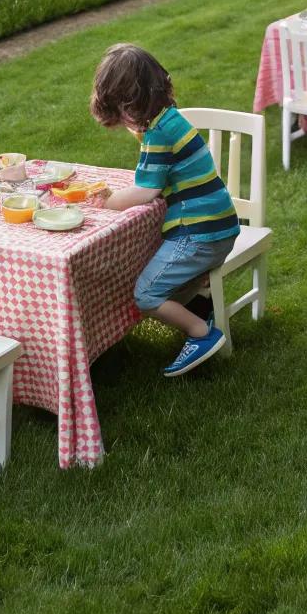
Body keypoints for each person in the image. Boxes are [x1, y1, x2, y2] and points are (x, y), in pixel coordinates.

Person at [89, 43, 240, 378]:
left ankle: (201, 334)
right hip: (218, 227)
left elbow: (146, 190)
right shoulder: (168, 119)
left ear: (129, 104)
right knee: (153, 272)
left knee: (146, 292)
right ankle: (202, 308)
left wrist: (109, 201)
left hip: (199, 235)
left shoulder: (159, 133)